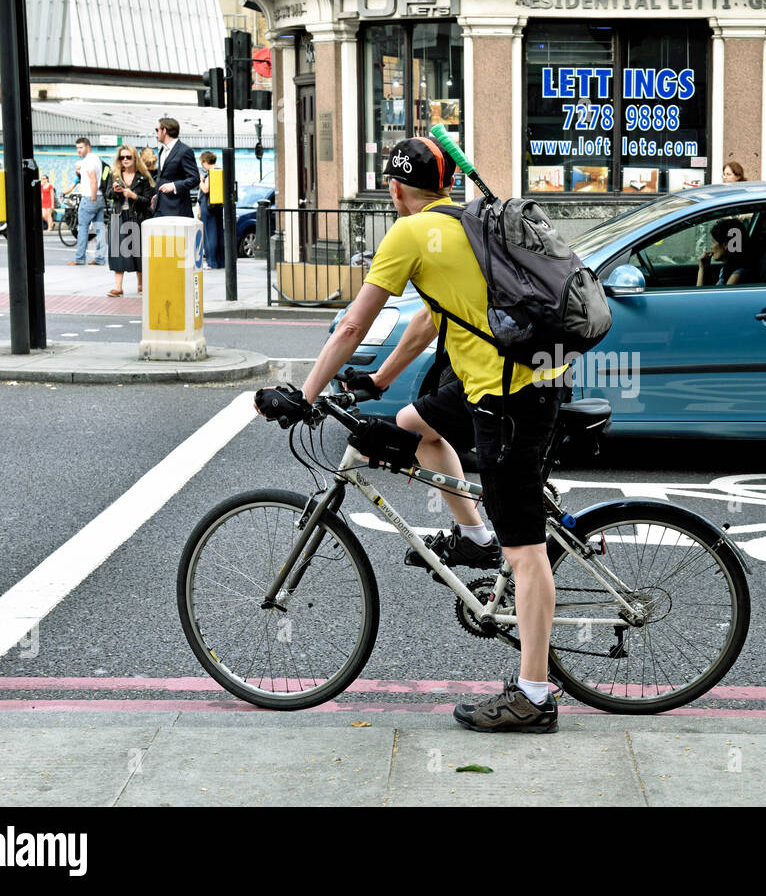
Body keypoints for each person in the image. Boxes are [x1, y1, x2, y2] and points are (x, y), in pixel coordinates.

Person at [260, 136, 568, 734]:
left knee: (526, 549)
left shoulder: (409, 233)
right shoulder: (467, 222)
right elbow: (430, 318)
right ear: (445, 184)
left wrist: (305, 394)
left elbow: (354, 322)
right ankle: (475, 537)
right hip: (514, 379)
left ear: (395, 188)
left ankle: (534, 695)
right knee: (413, 427)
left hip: (509, 396)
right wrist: (379, 379)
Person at [105, 144, 153, 297]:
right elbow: (107, 194)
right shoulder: (115, 175)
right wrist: (114, 190)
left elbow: (147, 201)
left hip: (136, 217)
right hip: (118, 215)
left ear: (134, 158)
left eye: (128, 157)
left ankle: (141, 285)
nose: (125, 160)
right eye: (122, 157)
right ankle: (118, 287)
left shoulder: (143, 178)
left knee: (138, 252)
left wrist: (133, 195)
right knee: (117, 252)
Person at [67, 137, 107, 266]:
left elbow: (93, 180)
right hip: (100, 197)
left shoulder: (89, 161)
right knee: (100, 228)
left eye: (80, 147)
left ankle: (79, 258)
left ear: (87, 146)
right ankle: (100, 258)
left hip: (90, 197)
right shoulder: (96, 159)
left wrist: (93, 197)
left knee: (82, 228)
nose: (78, 150)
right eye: (77, 148)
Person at [150, 118, 197, 218]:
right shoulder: (162, 150)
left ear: (165, 130)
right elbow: (164, 177)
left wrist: (174, 186)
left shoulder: (184, 151)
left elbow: (195, 179)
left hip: (177, 209)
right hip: (161, 206)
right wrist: (159, 196)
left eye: (157, 130)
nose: (156, 133)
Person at [696, 217, 751, 287]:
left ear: (725, 245)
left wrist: (701, 269)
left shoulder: (736, 275)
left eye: (713, 242)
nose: (711, 247)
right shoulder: (726, 269)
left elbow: (701, 297)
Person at [198, 150, 224, 269]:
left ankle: (211, 261)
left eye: (202, 163)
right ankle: (220, 261)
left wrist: (200, 181)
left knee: (209, 235)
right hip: (218, 207)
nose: (202, 165)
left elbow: (205, 189)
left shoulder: (211, 173)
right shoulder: (220, 171)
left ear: (205, 161)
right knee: (218, 233)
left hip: (208, 207)